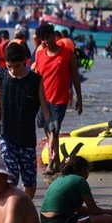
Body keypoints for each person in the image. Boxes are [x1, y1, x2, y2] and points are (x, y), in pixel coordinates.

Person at [0, 42, 51, 199]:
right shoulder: (1, 78)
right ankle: (8, 212)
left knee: (30, 183)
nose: (13, 71)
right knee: (11, 178)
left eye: (16, 66)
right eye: (9, 66)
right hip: (6, 136)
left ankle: (23, 209)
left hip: (27, 139)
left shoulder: (35, 80)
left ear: (24, 61)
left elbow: (45, 111)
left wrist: (51, 136)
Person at [34, 23, 82, 175]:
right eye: (43, 39)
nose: (46, 41)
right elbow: (36, 78)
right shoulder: (39, 55)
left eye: (48, 37)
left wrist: (79, 99)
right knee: (49, 133)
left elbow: (75, 76)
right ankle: (57, 161)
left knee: (54, 131)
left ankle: (51, 163)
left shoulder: (67, 53)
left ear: (55, 36)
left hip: (60, 100)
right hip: (43, 100)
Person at [40, 156, 112, 223]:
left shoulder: (60, 179)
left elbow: (79, 210)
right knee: (107, 219)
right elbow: (94, 211)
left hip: (45, 221)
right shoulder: (80, 180)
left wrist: (110, 212)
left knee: (91, 216)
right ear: (83, 170)